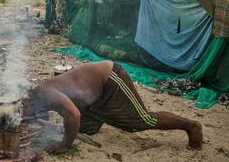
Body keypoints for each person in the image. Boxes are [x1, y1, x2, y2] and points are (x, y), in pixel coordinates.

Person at [22, 60, 203, 154]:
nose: (25, 113)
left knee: (141, 121)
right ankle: (90, 122)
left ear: (25, 99)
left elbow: (73, 115)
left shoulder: (43, 93)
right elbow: (69, 115)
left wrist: (65, 145)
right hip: (91, 100)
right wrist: (44, 125)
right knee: (87, 129)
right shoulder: (36, 99)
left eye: (23, 110)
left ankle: (192, 126)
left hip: (110, 80)